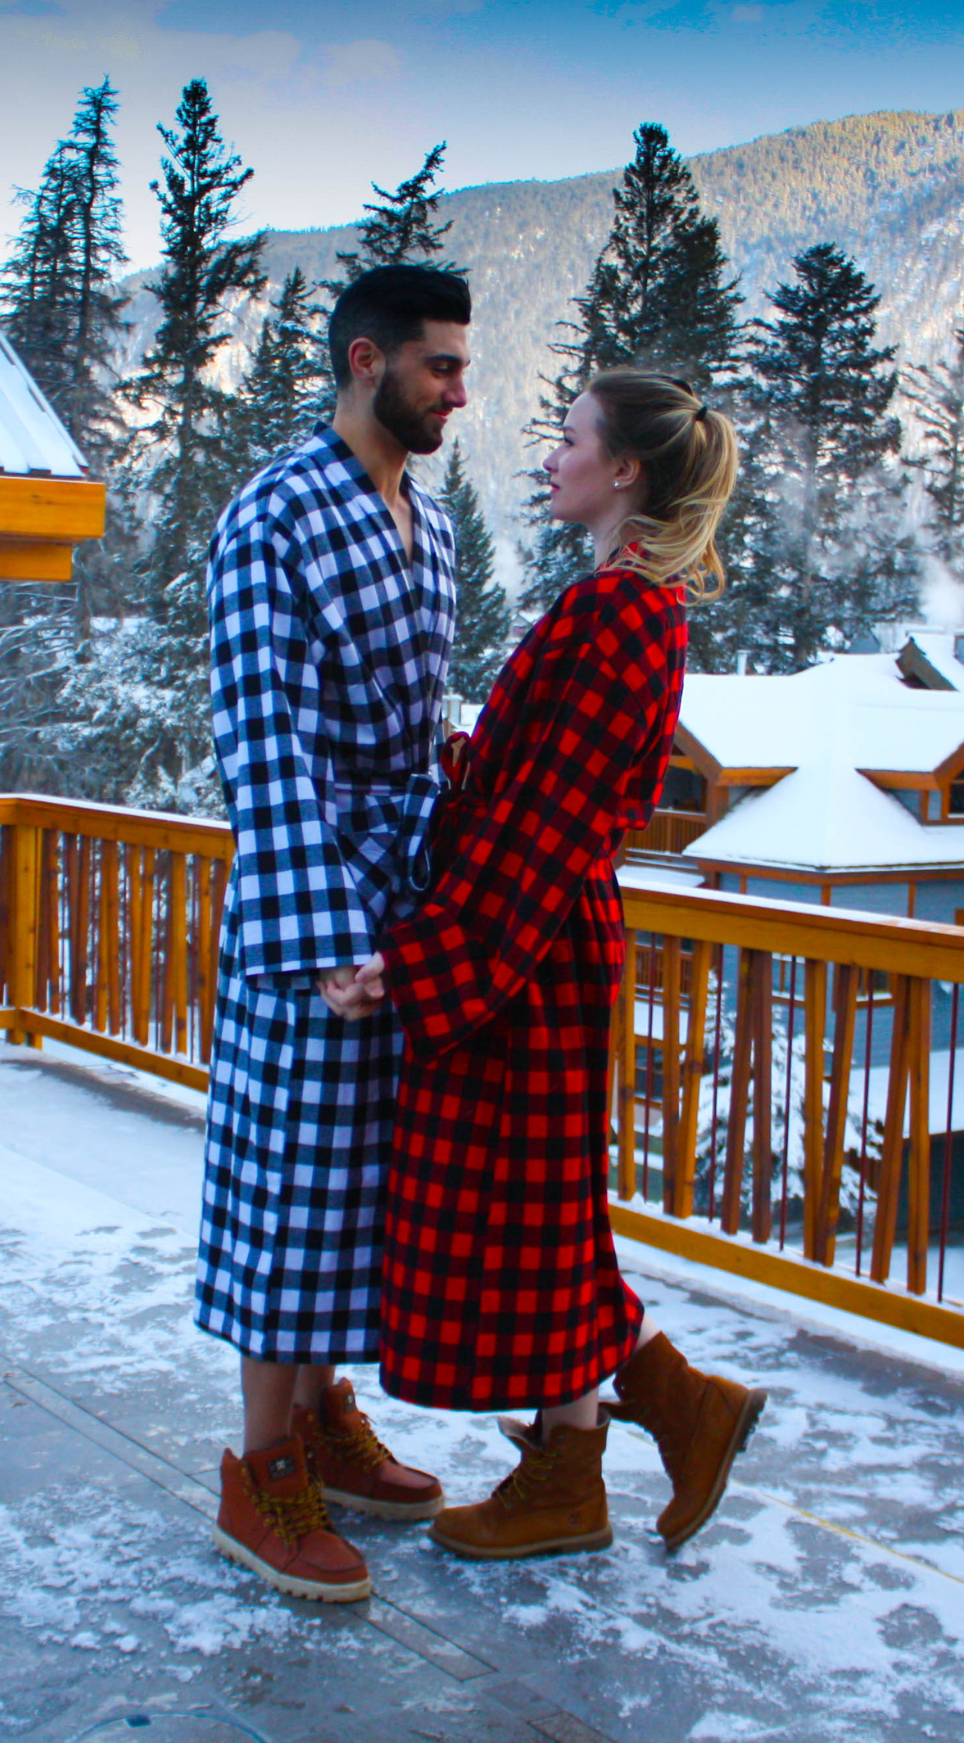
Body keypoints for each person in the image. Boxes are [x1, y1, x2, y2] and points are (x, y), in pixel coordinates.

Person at [348, 369, 767, 1560]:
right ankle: (614, 1449)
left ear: (623, 470)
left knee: (534, 1220)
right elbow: (527, 783)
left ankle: (600, 1460)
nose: (553, 454)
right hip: (539, 934)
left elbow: (544, 821)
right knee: (548, 1218)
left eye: (571, 437)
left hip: (526, 946)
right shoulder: (625, 606)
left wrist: (415, 962)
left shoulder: (620, 617)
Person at [195, 264, 472, 1602]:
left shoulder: (430, 513)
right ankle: (260, 1472)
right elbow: (266, 749)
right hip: (314, 914)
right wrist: (324, 944)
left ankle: (322, 1416)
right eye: (440, 367)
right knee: (288, 1190)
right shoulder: (275, 518)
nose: (459, 392)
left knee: (356, 1192)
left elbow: (411, 719)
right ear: (367, 362)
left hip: (399, 896)